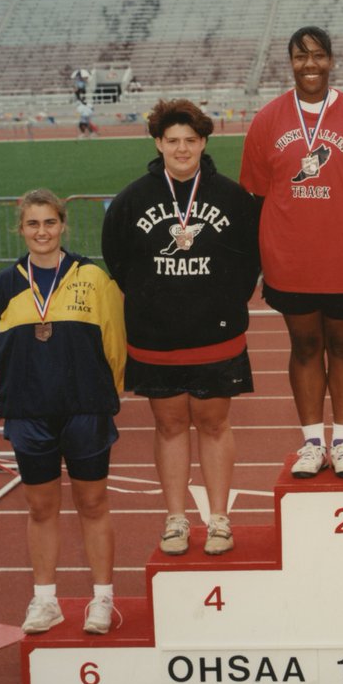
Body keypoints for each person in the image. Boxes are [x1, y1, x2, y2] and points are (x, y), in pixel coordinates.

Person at [102, 99, 260, 556]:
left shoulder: (232, 196)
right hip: (156, 338)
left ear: (204, 142)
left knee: (214, 423)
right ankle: (175, 519)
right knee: (169, 425)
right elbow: (116, 259)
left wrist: (223, 302)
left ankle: (219, 519)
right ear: (158, 143)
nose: (182, 149)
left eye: (190, 140)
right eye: (172, 140)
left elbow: (250, 259)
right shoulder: (132, 199)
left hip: (216, 335)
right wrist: (152, 301)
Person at [240, 27, 343, 479]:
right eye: (301, 56)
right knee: (304, 346)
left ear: (331, 61)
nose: (310, 64)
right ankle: (311, 442)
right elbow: (257, 195)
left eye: (318, 55)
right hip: (291, 261)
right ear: (290, 62)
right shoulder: (267, 120)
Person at [0, 189, 125, 635]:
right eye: (33, 224)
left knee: (93, 502)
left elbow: (115, 344)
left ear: (63, 224)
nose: (42, 231)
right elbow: (0, 351)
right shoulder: (3, 286)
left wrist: (105, 396)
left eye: (49, 222)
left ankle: (102, 599)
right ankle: (46, 601)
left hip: (85, 408)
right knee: (41, 507)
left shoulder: (93, 278)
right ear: (21, 229)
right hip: (30, 413)